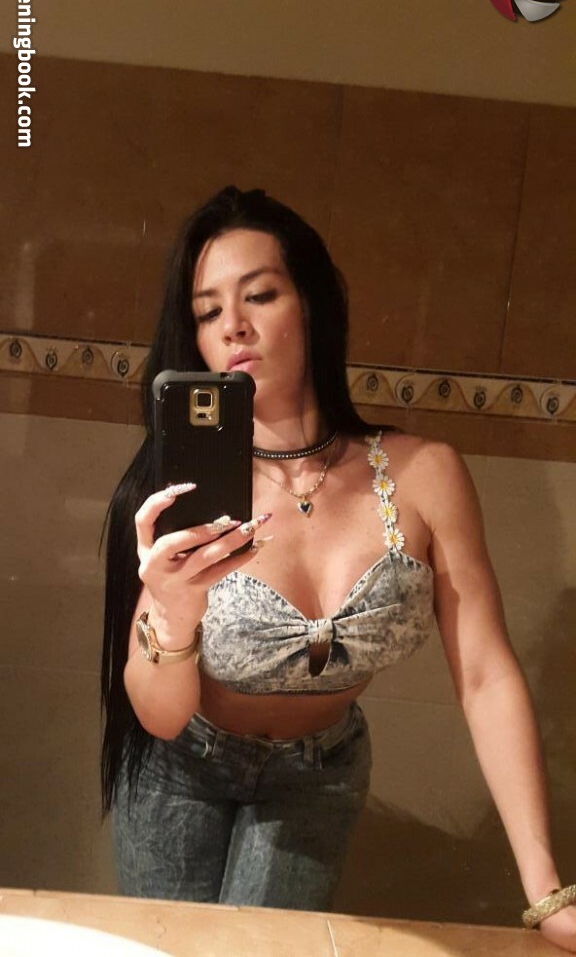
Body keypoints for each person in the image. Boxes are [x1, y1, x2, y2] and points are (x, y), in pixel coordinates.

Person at [101, 186, 575, 950]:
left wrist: (546, 888)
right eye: (208, 312)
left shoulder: (425, 475)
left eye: (259, 294)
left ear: (313, 304)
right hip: (180, 768)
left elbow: (487, 675)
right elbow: (158, 716)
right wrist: (174, 613)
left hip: (317, 776)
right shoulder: (179, 484)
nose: (234, 325)